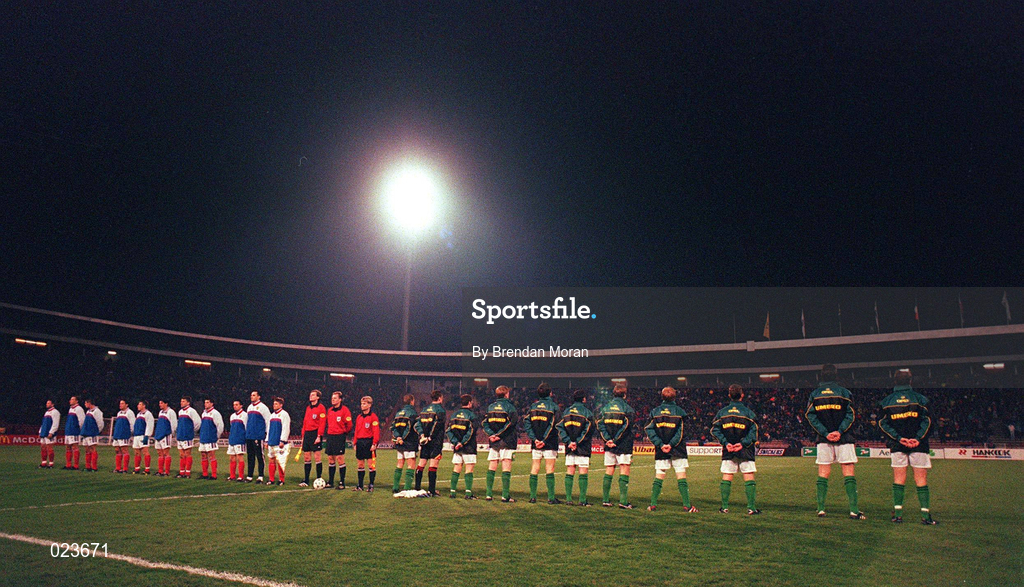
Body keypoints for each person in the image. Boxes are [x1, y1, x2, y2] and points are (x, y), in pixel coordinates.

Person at [805, 364, 864, 519]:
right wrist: (839, 431)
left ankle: (821, 509)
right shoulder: (845, 393)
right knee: (848, 472)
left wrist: (826, 433)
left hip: (824, 439)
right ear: (836, 376)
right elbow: (850, 415)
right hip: (844, 438)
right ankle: (853, 510)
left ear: (821, 376)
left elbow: (810, 416)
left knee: (823, 473)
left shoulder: (815, 394)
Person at [879, 370, 937, 525]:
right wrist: (917, 438)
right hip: (919, 445)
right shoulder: (921, 399)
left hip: (898, 445)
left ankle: (898, 515)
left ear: (895, 381)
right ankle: (925, 516)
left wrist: (899, 438)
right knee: (921, 479)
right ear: (910, 381)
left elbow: (882, 423)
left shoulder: (887, 401)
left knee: (899, 479)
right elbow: (929, 422)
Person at [644, 387, 697, 512]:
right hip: (678, 449)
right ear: (675, 397)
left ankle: (652, 504)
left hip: (661, 449)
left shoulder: (655, 412)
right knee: (681, 475)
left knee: (659, 475)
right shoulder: (680, 412)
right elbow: (681, 432)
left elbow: (649, 429)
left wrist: (661, 444)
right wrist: (672, 444)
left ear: (662, 397)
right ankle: (687, 505)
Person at [711, 384, 760, 515]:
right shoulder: (749, 413)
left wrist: (726, 442)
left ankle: (725, 507)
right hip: (745, 449)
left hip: (729, 449)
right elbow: (754, 432)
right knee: (748, 475)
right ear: (742, 395)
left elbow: (714, 430)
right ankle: (751, 508)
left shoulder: (722, 413)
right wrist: (742, 444)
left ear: (729, 396)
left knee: (727, 475)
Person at [598, 383, 636, 509]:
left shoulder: (605, 409)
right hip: (623, 445)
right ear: (625, 395)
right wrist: (615, 440)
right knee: (624, 469)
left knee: (609, 469)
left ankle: (605, 500)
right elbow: (626, 427)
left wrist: (608, 440)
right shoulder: (628, 409)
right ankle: (623, 501)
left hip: (609, 445)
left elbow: (600, 425)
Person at [556, 389, 594, 506]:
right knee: (583, 471)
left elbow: (560, 427)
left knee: (570, 471)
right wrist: (577, 442)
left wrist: (569, 442)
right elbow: (588, 430)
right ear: (583, 399)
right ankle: (582, 500)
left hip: (569, 448)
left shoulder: (566, 412)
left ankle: (568, 499)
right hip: (582, 447)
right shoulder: (587, 413)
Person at [526, 383, 561, 504]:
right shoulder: (554, 407)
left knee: (535, 467)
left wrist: (534, 439)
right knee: (549, 468)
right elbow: (554, 425)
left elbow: (527, 424)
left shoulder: (533, 406)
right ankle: (551, 498)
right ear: (550, 393)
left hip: (536, 443)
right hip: (549, 443)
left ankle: (532, 497)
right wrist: (544, 440)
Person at [482, 385, 519, 503]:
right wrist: (499, 435)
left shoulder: (490, 407)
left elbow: (485, 423)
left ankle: (488, 494)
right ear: (507, 394)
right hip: (507, 441)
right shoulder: (510, 407)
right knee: (506, 466)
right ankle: (505, 495)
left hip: (494, 442)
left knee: (492, 465)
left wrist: (491, 435)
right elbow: (511, 424)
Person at [414, 390, 446, 496]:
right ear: (440, 398)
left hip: (424, 441)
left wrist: (422, 435)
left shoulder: (424, 410)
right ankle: (431, 491)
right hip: (435, 441)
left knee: (421, 463)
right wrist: (430, 437)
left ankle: (417, 488)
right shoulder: (440, 410)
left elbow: (417, 424)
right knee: (433, 464)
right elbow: (437, 425)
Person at [446, 394, 478, 499]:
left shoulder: (453, 415)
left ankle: (452, 492)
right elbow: (471, 431)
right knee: (469, 468)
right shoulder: (472, 416)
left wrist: (456, 442)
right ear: (469, 403)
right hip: (468, 446)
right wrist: (462, 442)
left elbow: (448, 431)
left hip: (457, 448)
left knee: (457, 467)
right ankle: (468, 493)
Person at [390, 394, 419, 492]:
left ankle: (395, 487)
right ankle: (407, 488)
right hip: (409, 443)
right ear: (412, 401)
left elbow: (393, 427)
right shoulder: (412, 413)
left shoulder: (398, 413)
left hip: (399, 443)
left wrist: (398, 437)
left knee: (399, 464)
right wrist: (402, 438)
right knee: (411, 464)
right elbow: (409, 428)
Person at [325, 391, 353, 489]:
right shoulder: (330, 410)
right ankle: (330, 481)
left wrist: (343, 432)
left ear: (340, 399)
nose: (333, 399)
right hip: (330, 436)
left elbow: (349, 425)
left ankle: (342, 482)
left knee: (340, 459)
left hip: (339, 436)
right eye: (332, 398)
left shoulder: (345, 410)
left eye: (335, 398)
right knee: (330, 459)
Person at [353, 396, 380, 491]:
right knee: (360, 465)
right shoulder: (359, 417)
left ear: (369, 405)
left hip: (369, 442)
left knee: (371, 465)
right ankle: (360, 485)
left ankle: (371, 485)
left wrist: (374, 443)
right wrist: (355, 442)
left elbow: (376, 431)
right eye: (361, 403)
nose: (362, 405)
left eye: (364, 403)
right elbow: (356, 430)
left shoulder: (373, 417)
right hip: (360, 442)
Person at [300, 390, 327, 488]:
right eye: (310, 394)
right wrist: (303, 436)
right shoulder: (308, 408)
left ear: (318, 397)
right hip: (307, 434)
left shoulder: (321, 408)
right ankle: (306, 480)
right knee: (307, 457)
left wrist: (319, 436)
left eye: (313, 395)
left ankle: (319, 478)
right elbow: (305, 422)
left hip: (315, 434)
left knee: (317, 457)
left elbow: (322, 423)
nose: (310, 396)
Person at [245, 391, 272, 483]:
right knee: (250, 456)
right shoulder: (249, 407)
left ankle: (260, 476)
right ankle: (249, 475)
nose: (251, 397)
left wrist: (266, 436)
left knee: (260, 456)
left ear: (259, 397)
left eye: (254, 395)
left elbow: (268, 422)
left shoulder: (263, 408)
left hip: (258, 436)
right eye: (251, 395)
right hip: (249, 436)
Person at [266, 396, 291, 486]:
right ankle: (271, 479)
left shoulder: (284, 414)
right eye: (273, 404)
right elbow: (269, 429)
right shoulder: (272, 415)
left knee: (280, 461)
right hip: (271, 441)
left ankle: (281, 479)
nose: (274, 405)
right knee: (271, 460)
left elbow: (285, 428)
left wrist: (283, 440)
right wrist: (266, 440)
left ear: (281, 405)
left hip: (279, 442)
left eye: (276, 404)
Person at [198, 398, 224, 480]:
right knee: (203, 455)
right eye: (205, 402)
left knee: (211, 455)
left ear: (212, 404)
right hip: (203, 437)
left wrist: (216, 436)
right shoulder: (204, 413)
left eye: (207, 402)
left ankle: (214, 475)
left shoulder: (215, 413)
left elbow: (220, 426)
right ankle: (205, 474)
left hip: (211, 438)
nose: (205, 404)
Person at [176, 396, 201, 478]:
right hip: (180, 435)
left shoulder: (191, 411)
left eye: (183, 401)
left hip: (187, 436)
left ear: (188, 403)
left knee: (187, 454)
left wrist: (191, 430)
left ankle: (187, 473)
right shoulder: (180, 412)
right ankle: (182, 472)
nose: (181, 402)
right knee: (181, 455)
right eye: (181, 401)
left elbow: (197, 422)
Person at [153, 399, 178, 476]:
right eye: (159, 403)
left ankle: (167, 472)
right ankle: (160, 471)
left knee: (166, 453)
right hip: (159, 435)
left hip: (166, 435)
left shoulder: (171, 412)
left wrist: (172, 433)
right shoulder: (160, 412)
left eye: (161, 403)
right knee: (160, 453)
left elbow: (174, 424)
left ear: (166, 404)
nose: (160, 404)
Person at [111, 399, 135, 473]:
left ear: (126, 404)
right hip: (117, 434)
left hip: (124, 434)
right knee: (117, 450)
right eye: (120, 403)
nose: (120, 405)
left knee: (124, 450)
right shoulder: (119, 413)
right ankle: (118, 468)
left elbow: (132, 424)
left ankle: (125, 469)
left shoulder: (130, 413)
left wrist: (130, 432)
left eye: (122, 403)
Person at [131, 400, 155, 474]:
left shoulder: (148, 414)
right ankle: (137, 468)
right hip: (136, 435)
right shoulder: (138, 414)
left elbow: (150, 425)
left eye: (139, 404)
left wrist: (147, 435)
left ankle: (147, 469)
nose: (138, 406)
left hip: (143, 435)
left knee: (145, 451)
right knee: (136, 452)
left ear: (144, 406)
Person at [81, 399, 104, 472]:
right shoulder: (88, 411)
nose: (85, 404)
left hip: (92, 433)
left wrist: (96, 431)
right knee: (87, 450)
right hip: (86, 433)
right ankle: (88, 466)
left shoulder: (97, 411)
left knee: (92, 449)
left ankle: (94, 467)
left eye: (85, 403)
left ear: (89, 403)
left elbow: (100, 423)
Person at [63, 396, 86, 470]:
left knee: (74, 447)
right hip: (68, 431)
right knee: (67, 447)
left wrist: (78, 429)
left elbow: (82, 420)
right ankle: (68, 464)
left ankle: (76, 465)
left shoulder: (79, 409)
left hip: (74, 431)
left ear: (77, 401)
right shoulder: (70, 409)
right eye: (70, 399)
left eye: (72, 399)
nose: (70, 401)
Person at [227, 400, 248, 481]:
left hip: (240, 440)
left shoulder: (245, 415)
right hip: (232, 439)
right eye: (234, 405)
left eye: (236, 404)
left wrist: (245, 438)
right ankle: (232, 476)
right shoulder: (232, 416)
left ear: (241, 405)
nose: (234, 406)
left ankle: (241, 476)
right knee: (232, 458)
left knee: (240, 457)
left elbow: (246, 428)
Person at [39, 400, 60, 468]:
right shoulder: (47, 412)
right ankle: (44, 463)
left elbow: (55, 423)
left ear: (52, 404)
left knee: (49, 447)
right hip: (44, 432)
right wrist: (40, 431)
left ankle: (51, 463)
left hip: (49, 433)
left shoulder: (55, 412)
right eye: (46, 403)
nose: (46, 404)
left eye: (48, 403)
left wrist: (51, 432)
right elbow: (43, 423)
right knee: (43, 447)